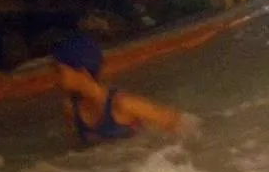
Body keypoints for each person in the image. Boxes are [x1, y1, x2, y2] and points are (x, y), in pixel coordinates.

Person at [50, 33, 198, 147]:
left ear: (82, 72)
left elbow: (177, 123)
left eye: (59, 71)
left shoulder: (125, 104)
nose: (55, 77)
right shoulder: (71, 108)